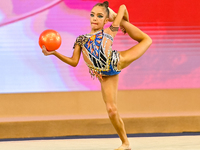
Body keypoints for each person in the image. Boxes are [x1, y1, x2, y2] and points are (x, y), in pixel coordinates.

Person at [42, 1, 152, 150]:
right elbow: (74, 62)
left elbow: (123, 7)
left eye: (100, 16)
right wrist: (54, 53)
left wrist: (121, 21)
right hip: (104, 75)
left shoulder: (108, 32)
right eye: (92, 15)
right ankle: (125, 143)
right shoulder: (81, 39)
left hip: (118, 61)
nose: (94, 18)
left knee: (146, 40)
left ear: (106, 21)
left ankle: (116, 18)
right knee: (112, 110)